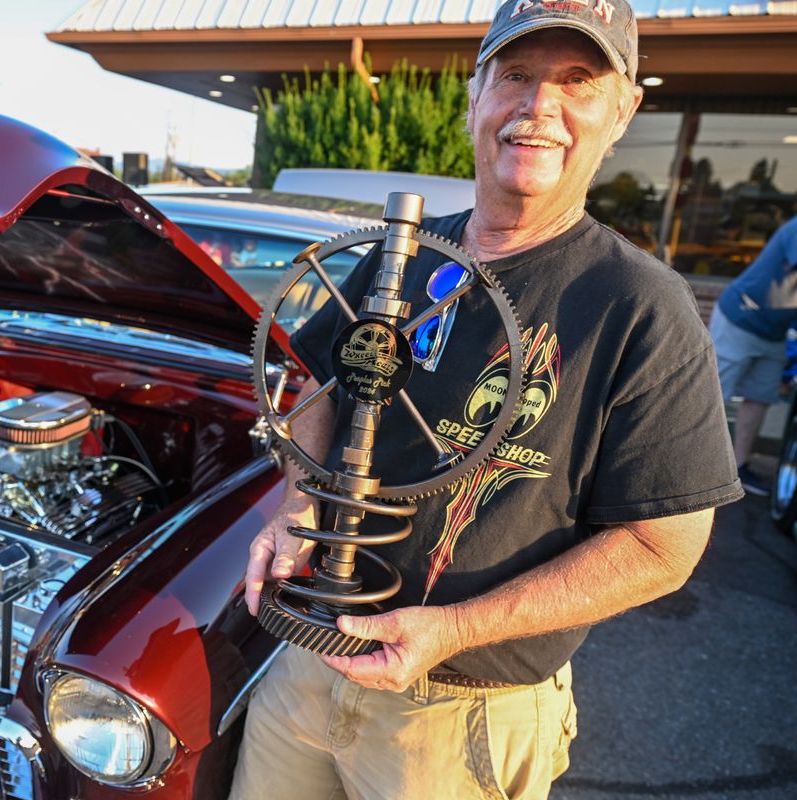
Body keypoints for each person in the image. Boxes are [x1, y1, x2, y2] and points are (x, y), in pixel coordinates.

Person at [230, 2, 743, 798]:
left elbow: (663, 547)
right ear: (476, 97)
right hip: (305, 665)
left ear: (623, 111)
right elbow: (321, 390)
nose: (540, 107)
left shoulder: (641, 306)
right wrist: (296, 508)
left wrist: (454, 629)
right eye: (516, 76)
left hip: (462, 718)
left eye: (578, 80)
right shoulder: (398, 256)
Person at [709, 215, 797, 496]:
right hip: (741, 318)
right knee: (711, 395)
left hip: (775, 331)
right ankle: (685, 466)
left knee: (759, 398)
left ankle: (737, 467)